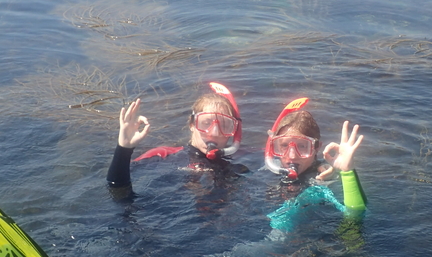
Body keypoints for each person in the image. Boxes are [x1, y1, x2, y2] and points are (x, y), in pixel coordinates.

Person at [106, 82, 249, 200]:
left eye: (225, 126)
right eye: (205, 123)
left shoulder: (242, 162)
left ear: (233, 132)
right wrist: (124, 149)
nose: (214, 133)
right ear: (192, 125)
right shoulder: (163, 155)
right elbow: (117, 190)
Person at [263, 99, 367, 244]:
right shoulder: (267, 170)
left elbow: (355, 215)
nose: (292, 156)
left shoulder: (323, 179)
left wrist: (347, 172)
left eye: (303, 146)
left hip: (311, 241)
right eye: (284, 146)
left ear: (316, 148)